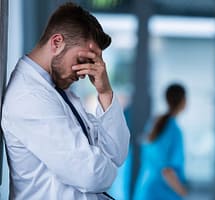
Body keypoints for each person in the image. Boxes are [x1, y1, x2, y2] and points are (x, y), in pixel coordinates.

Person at [1, 3, 130, 200]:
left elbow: (117, 152)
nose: (83, 73)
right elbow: (91, 175)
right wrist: (107, 166)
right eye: (81, 60)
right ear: (56, 42)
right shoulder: (29, 96)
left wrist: (104, 92)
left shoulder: (59, 92)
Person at [133, 84, 188, 200]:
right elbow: (167, 171)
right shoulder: (174, 131)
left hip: (145, 190)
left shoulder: (154, 124)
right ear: (183, 101)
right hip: (162, 193)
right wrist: (183, 193)